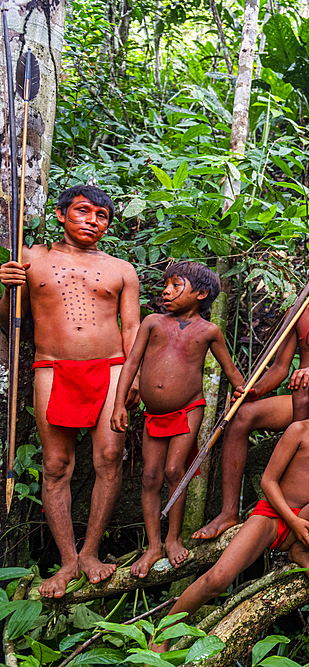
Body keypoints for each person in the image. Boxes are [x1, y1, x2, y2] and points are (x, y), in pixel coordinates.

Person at [153, 364, 309, 651]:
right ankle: (161, 636)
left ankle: (300, 551)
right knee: (217, 579)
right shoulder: (298, 429)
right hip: (273, 517)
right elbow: (268, 480)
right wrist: (292, 519)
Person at [0, 185, 140, 598]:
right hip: (52, 366)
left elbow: (131, 327)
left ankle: (92, 552)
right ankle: (67, 561)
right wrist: (5, 285)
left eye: (101, 216)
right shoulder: (31, 257)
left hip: (112, 366)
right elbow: (10, 322)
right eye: (82, 211)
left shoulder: (121, 269)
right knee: (57, 463)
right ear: (61, 215)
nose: (91, 221)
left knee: (110, 456)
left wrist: (131, 379)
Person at [193, 241, 309, 540]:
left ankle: (294, 500)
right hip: (304, 394)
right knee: (241, 416)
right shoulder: (299, 311)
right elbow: (279, 368)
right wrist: (255, 390)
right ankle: (227, 512)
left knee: (305, 387)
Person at [110, 262, 246, 578]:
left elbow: (231, 370)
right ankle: (153, 545)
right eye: (166, 285)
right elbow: (131, 365)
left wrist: (243, 389)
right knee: (150, 476)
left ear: (200, 293)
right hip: (152, 413)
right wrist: (119, 405)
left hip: (189, 408)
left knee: (175, 470)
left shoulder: (209, 331)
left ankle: (174, 538)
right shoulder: (152, 322)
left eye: (176, 285)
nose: (166, 292)